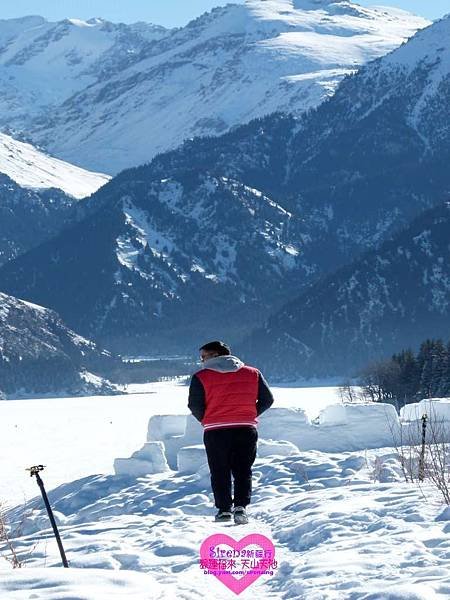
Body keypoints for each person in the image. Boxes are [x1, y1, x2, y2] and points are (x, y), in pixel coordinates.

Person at [188, 340, 274, 523]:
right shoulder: (253, 373)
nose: (201, 360)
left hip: (216, 431)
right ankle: (241, 508)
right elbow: (267, 399)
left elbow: (194, 405)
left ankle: (224, 510)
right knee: (243, 470)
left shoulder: (201, 377)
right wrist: (248, 413)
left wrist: (208, 419)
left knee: (219, 470)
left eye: (204, 356)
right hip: (245, 429)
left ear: (215, 355)